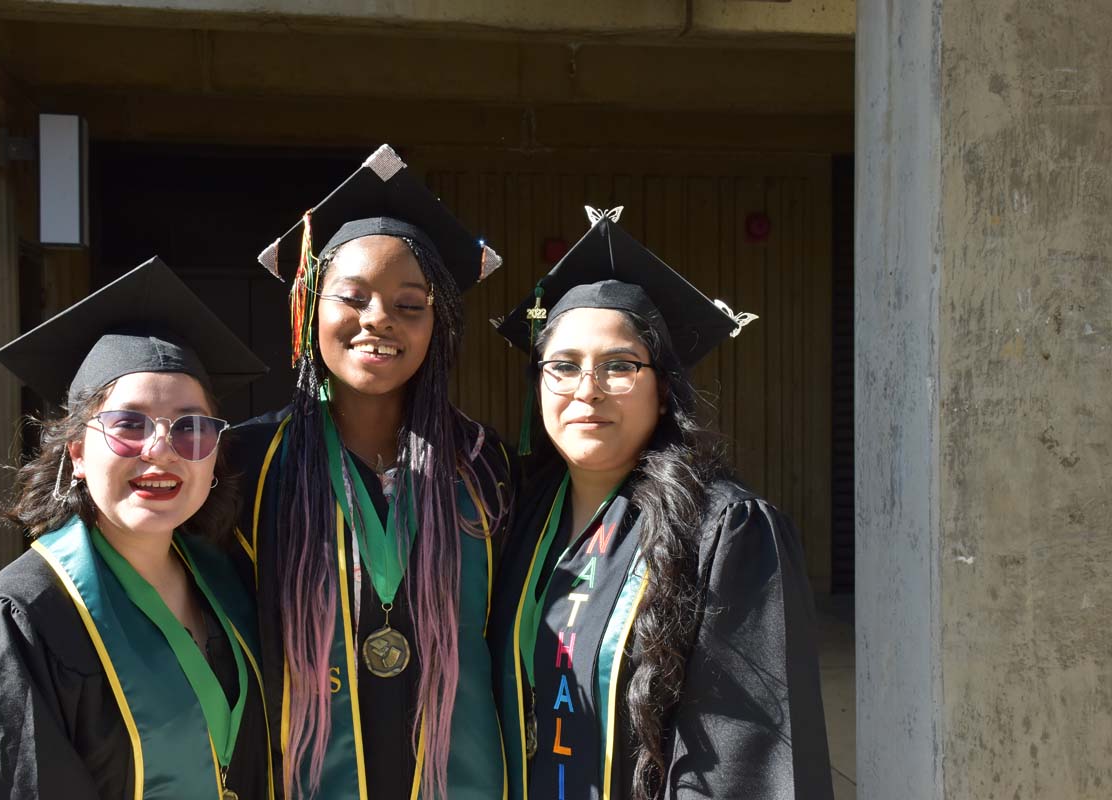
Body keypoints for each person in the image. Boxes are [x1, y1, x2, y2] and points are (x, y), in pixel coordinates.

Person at [489, 207, 834, 799]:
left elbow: (741, 762)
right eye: (563, 367)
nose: (586, 389)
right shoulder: (515, 514)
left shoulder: (728, 531)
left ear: (664, 387)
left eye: (619, 366)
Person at [0, 257, 274, 800]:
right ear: (77, 452)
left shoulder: (229, 587)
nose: (160, 450)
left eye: (191, 428)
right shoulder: (22, 622)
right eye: (129, 424)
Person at [232, 144, 513, 799]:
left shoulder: (484, 467)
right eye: (352, 297)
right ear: (311, 310)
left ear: (437, 324)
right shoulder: (248, 465)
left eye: (410, 304)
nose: (378, 319)